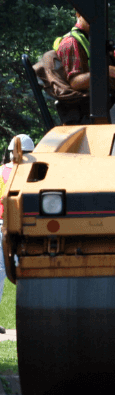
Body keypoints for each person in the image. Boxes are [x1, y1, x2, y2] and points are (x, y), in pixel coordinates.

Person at [0, 134, 35, 331]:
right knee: (30, 272)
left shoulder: (1, 172)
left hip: (2, 227)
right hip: (27, 228)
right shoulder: (37, 172)